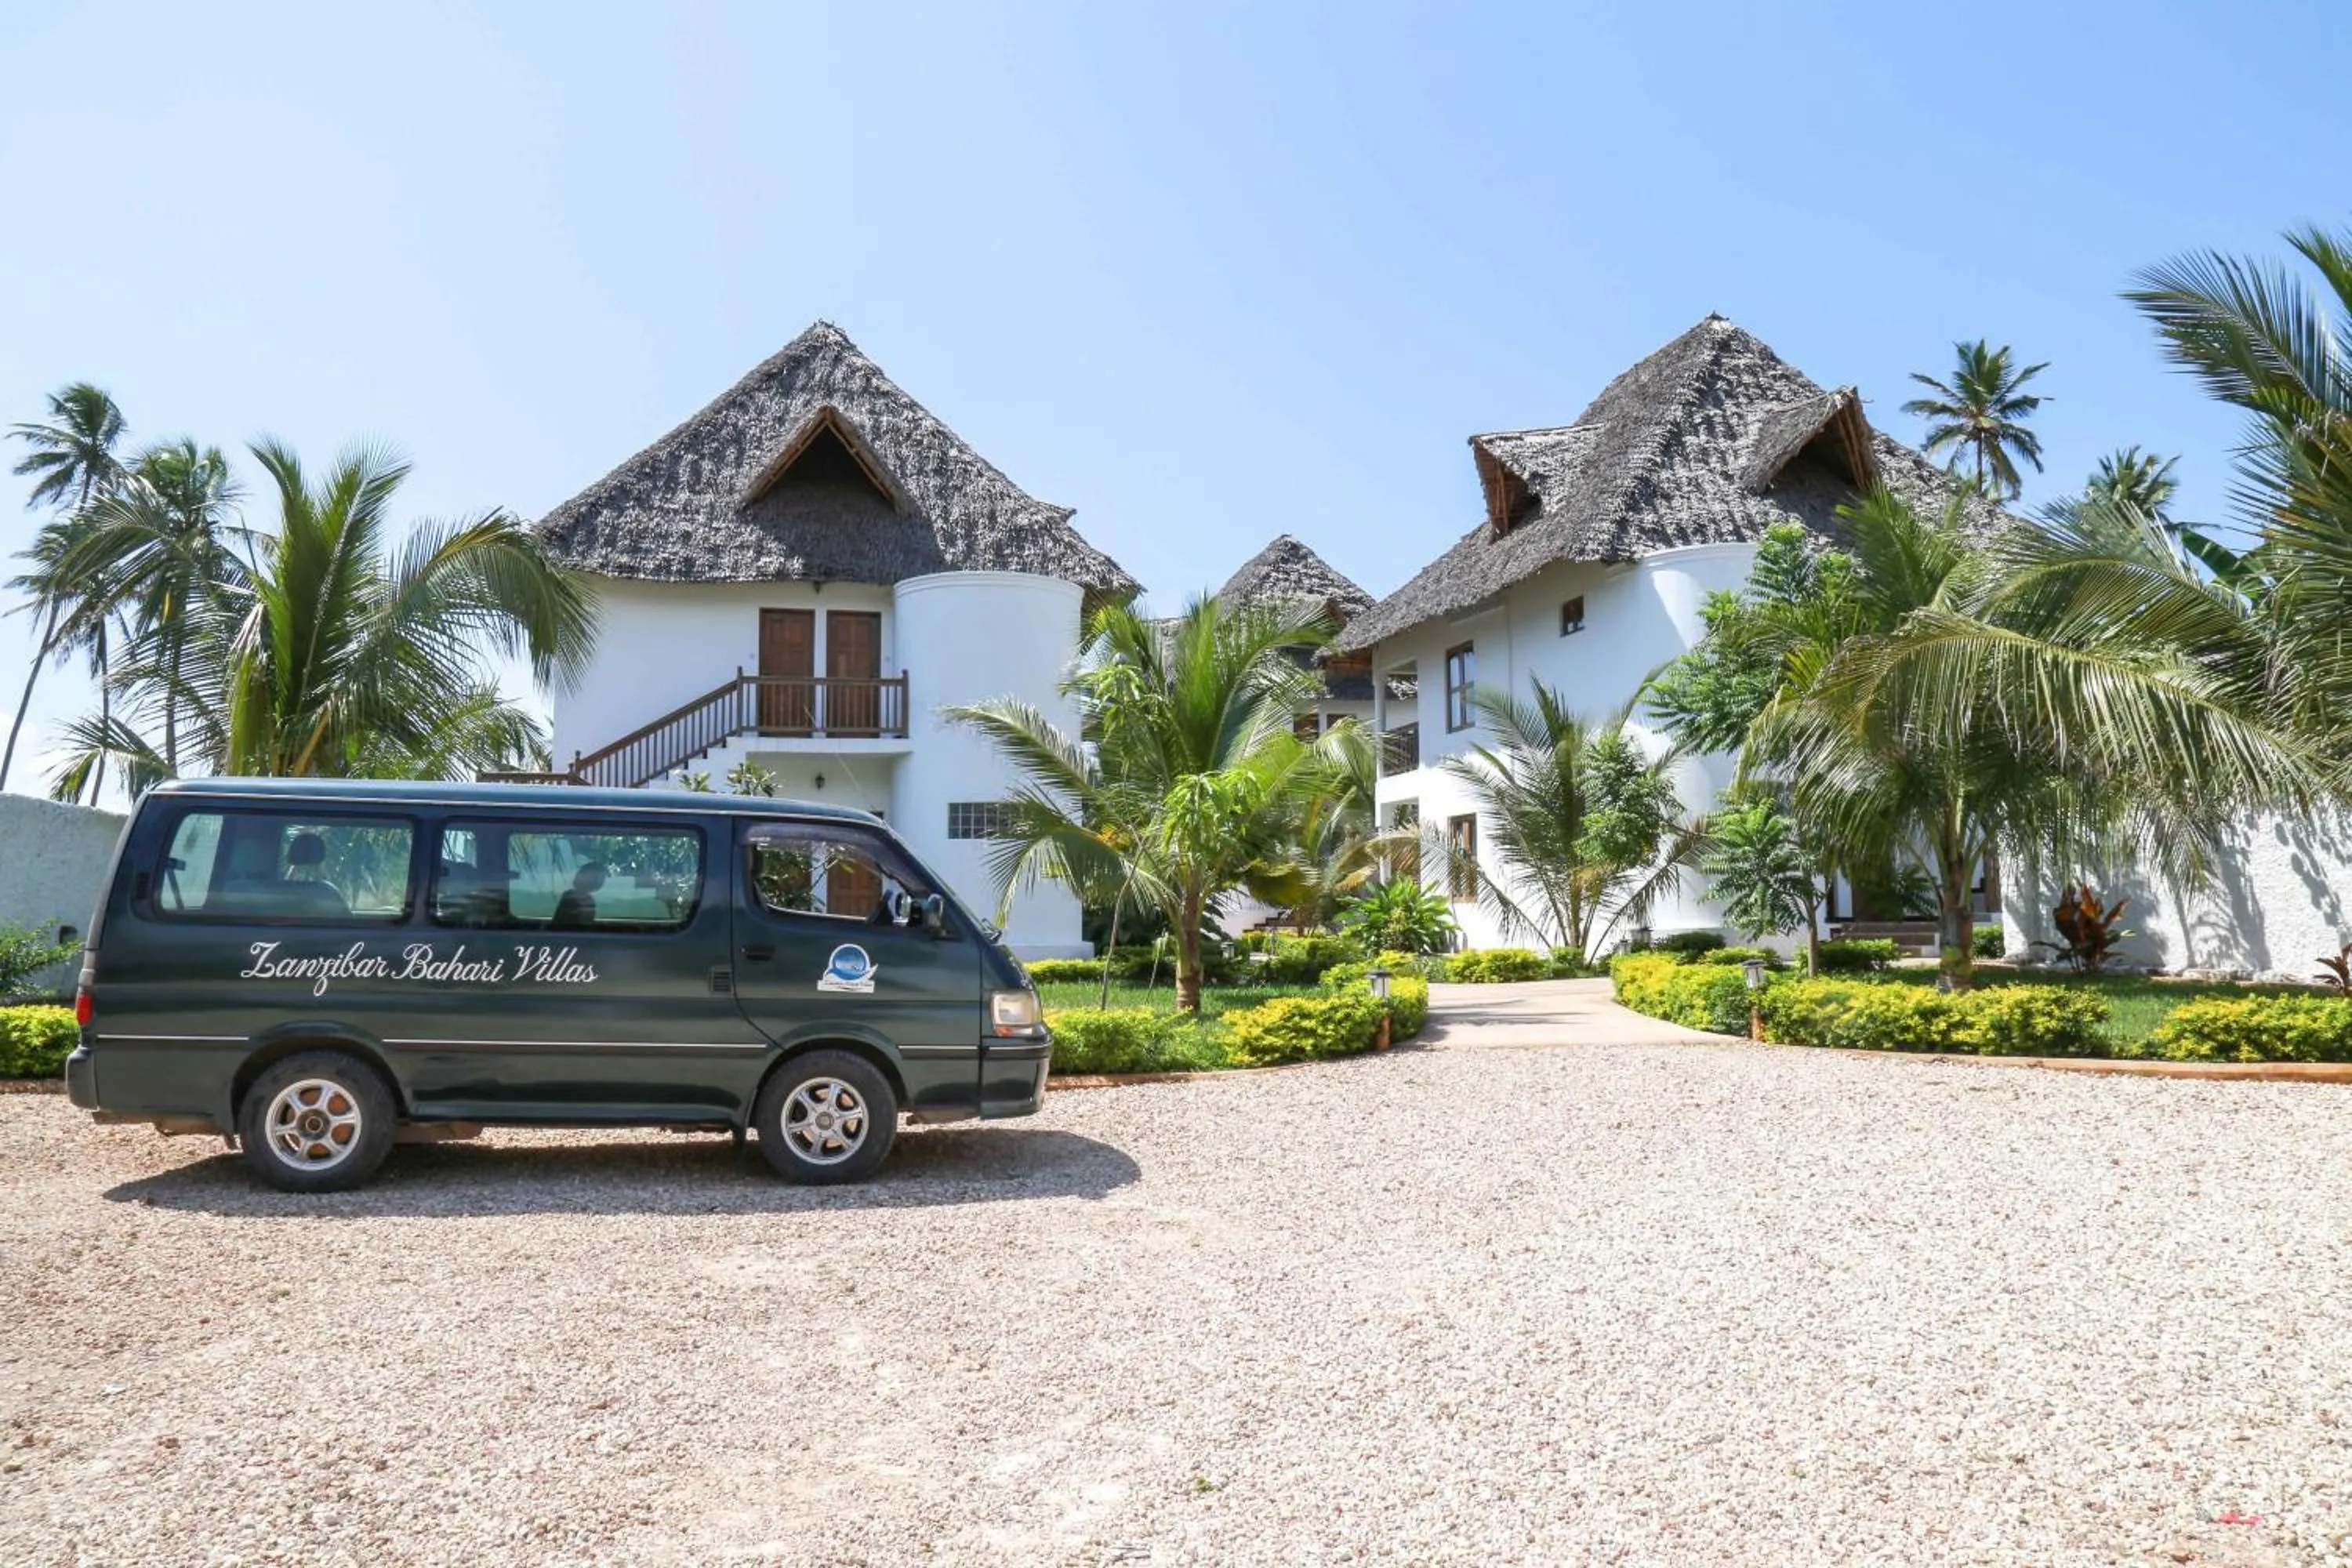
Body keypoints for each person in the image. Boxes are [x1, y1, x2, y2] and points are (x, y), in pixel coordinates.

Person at [551, 862, 606, 929]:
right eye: (582, 873)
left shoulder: (571, 896)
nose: (580, 876)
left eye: (585, 874)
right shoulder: (570, 896)